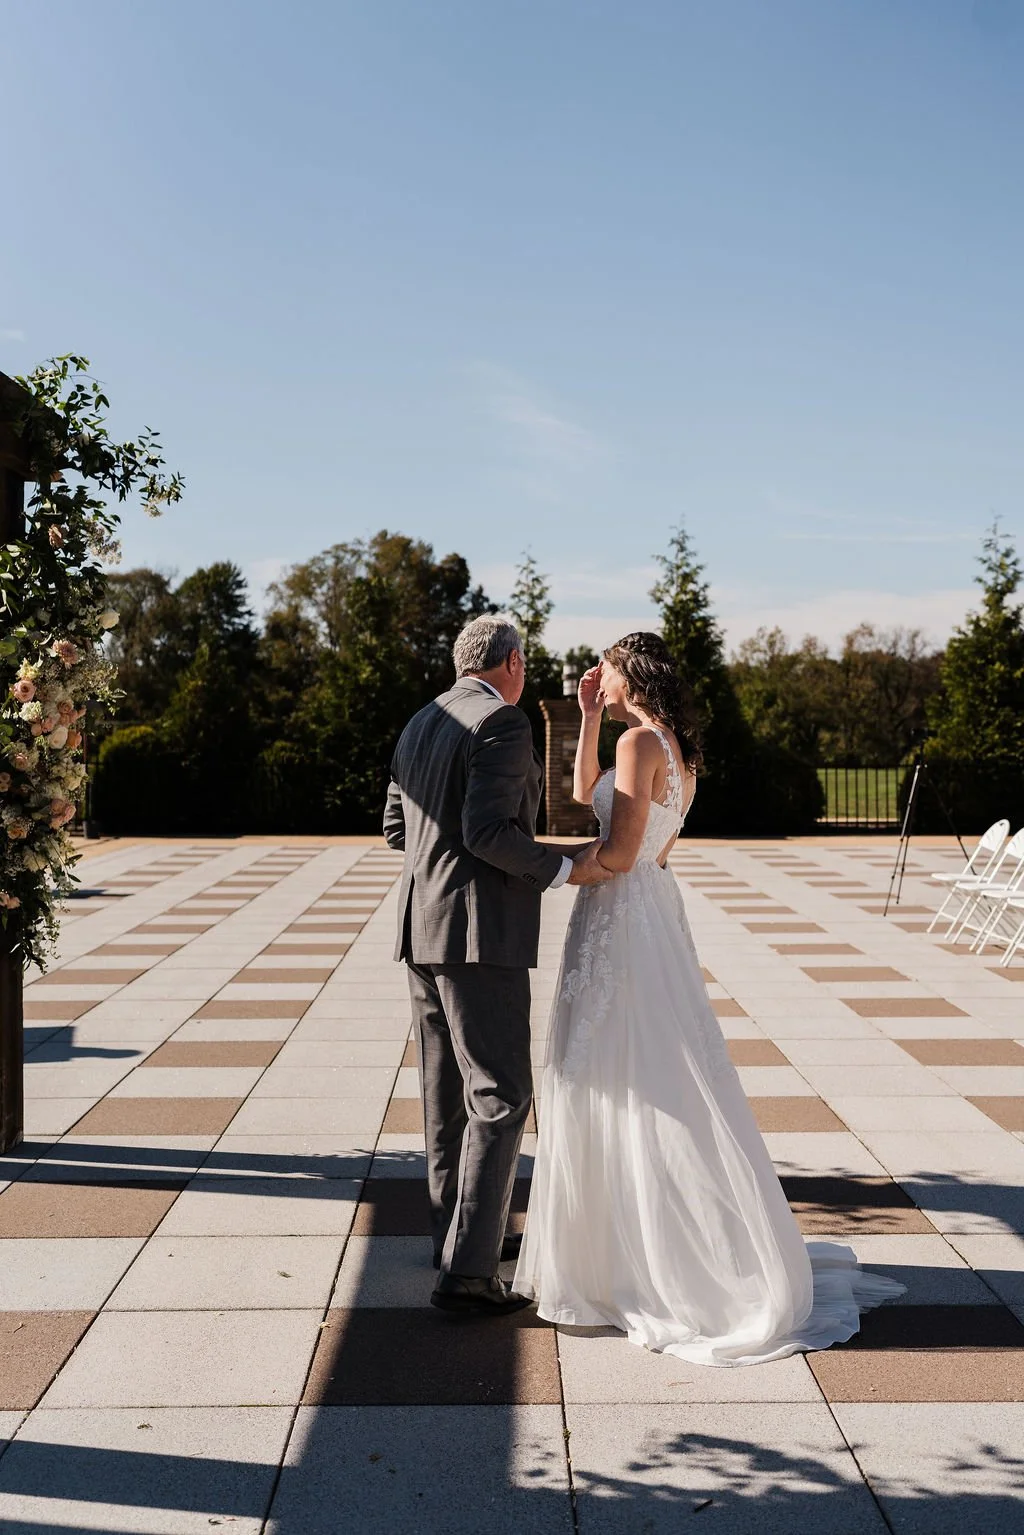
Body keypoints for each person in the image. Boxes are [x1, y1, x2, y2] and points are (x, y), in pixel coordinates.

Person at [515, 630, 904, 1363]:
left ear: (634, 673)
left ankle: (632, 1261)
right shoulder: (667, 747)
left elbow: (620, 853)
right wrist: (588, 717)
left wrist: (543, 869)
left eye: (610, 669)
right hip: (650, 916)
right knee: (656, 1070)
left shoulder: (642, 747)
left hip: (620, 919)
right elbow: (581, 794)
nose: (601, 675)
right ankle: (638, 1247)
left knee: (616, 1073)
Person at [384, 614, 612, 1317]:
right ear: (511, 661)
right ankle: (469, 1272)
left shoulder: (421, 721)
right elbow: (487, 831)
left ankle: (457, 1238)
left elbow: (398, 828)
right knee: (502, 1092)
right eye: (527, 661)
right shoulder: (504, 723)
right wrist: (562, 869)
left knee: (444, 1092)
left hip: (420, 928)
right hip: (478, 935)